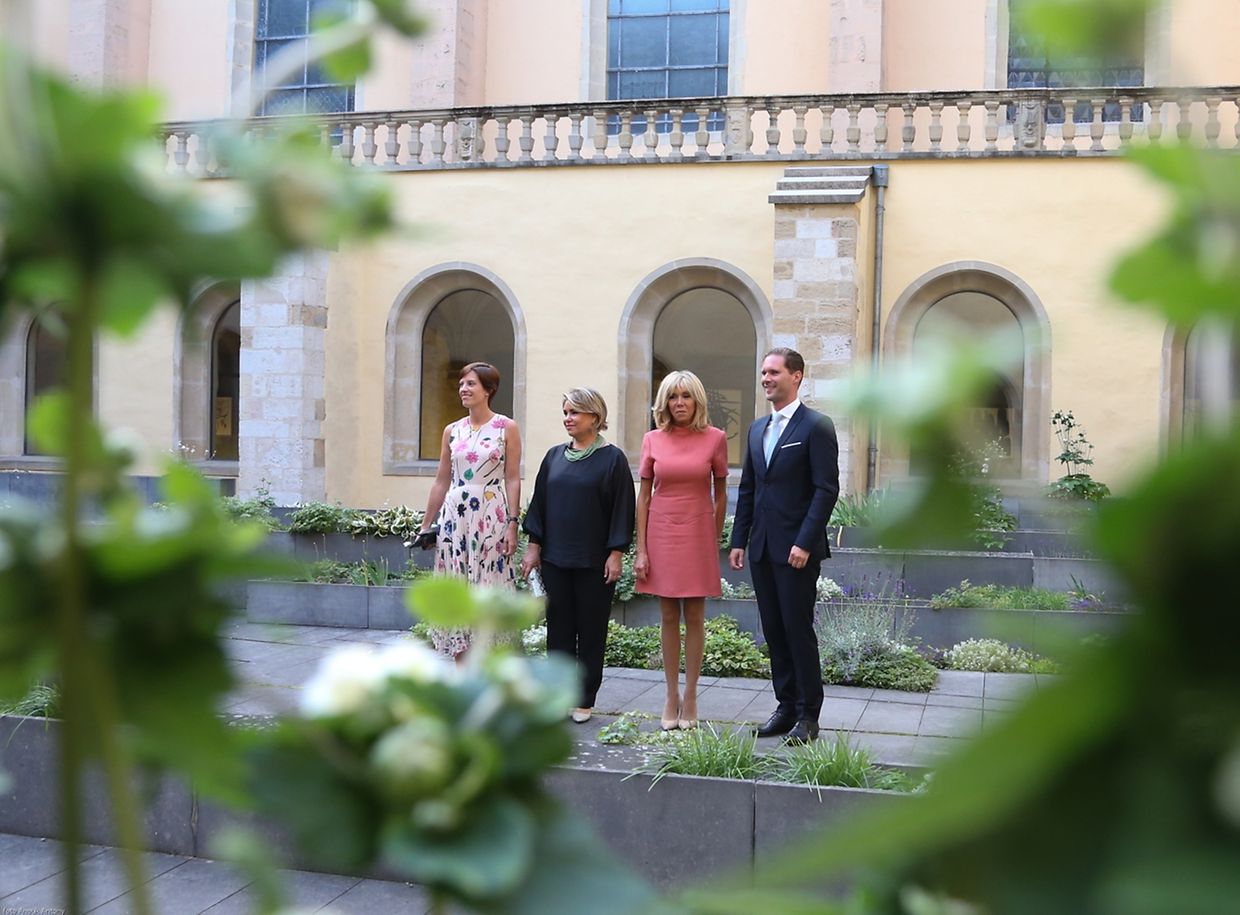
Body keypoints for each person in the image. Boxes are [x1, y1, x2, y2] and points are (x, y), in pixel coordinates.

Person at [729, 348, 839, 744]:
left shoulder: (816, 426)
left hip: (797, 552)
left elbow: (826, 490)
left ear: (797, 376)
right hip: (761, 548)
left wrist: (805, 542)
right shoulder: (758, 429)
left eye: (773, 372)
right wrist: (738, 539)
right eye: (763, 372)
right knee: (774, 631)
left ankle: (809, 714)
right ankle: (786, 706)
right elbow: (749, 489)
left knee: (797, 630)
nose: (765, 378)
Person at [522, 388, 635, 724]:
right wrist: (533, 547)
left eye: (574, 413)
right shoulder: (554, 456)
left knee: (590, 631)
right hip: (556, 560)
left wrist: (616, 553)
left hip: (594, 563)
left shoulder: (613, 459)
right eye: (566, 412)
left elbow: (622, 510)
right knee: (558, 631)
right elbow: (539, 503)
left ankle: (584, 699)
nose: (567, 419)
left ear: (594, 417)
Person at [634, 371, 728, 731]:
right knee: (669, 615)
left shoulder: (715, 439)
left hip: (698, 531)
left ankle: (691, 694)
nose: (679, 404)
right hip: (661, 529)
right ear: (664, 403)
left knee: (696, 617)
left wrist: (713, 536)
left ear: (697, 400)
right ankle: (670, 693)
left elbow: (720, 493)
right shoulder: (652, 439)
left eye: (686, 396)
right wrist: (641, 549)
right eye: (673, 397)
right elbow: (644, 497)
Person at [418, 362, 522, 660]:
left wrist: (513, 523)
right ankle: (462, 672)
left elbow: (512, 477)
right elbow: (441, 480)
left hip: (491, 514)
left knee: (487, 588)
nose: (464, 388)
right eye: (462, 383)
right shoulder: (452, 430)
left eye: (471, 383)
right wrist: (426, 526)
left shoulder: (506, 427)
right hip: (455, 517)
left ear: (488, 390)